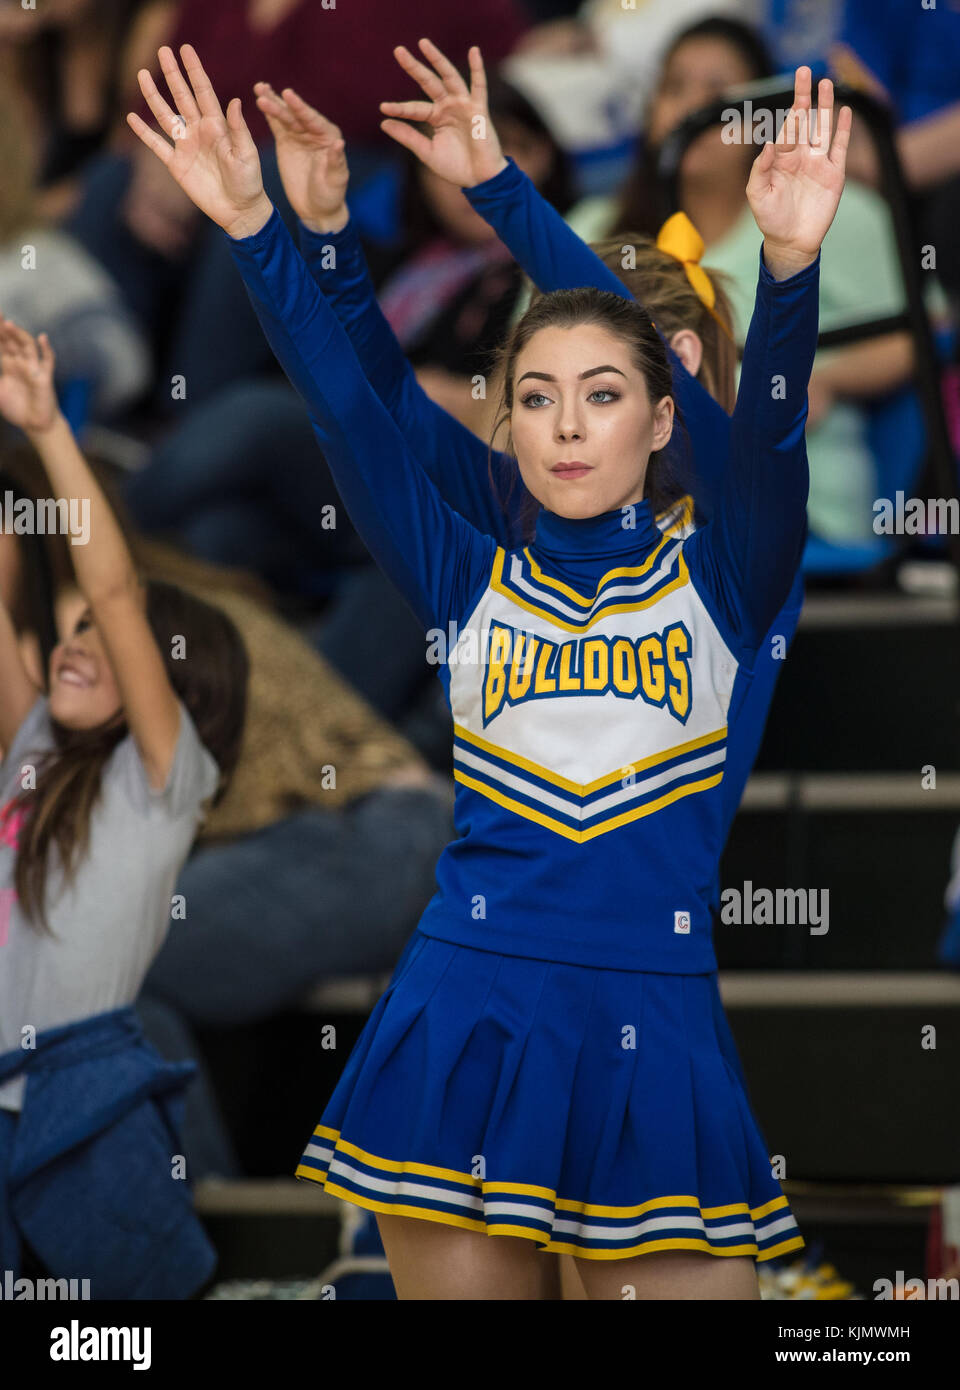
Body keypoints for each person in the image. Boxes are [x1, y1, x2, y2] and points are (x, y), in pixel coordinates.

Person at [128, 43, 845, 1299]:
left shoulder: (736, 565)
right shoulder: (485, 560)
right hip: (471, 1008)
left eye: (623, 384)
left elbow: (762, 433)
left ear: (674, 404)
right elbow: (370, 417)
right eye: (543, 394)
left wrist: (783, 267)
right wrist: (280, 233)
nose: (574, 419)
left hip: (650, 1017)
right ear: (513, 411)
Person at [0, 313, 248, 1294]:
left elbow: (110, 580)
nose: (79, 642)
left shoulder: (163, 780)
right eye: (75, 629)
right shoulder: (33, 749)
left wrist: (50, 428)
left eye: (114, 643)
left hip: (83, 1095)